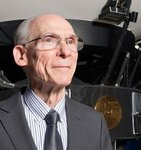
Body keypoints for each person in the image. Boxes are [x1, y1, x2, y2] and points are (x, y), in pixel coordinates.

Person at [0, 13, 113, 150]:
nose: (66, 51)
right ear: (21, 55)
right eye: (49, 40)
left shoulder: (95, 122)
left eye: (71, 41)